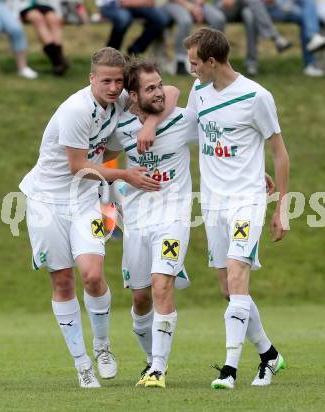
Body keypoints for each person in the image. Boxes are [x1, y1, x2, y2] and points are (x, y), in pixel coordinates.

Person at [18, 47, 178, 388]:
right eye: (105, 80)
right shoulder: (76, 110)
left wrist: (149, 123)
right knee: (62, 281)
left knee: (91, 276)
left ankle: (102, 346)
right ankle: (82, 365)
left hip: (85, 199)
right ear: (91, 78)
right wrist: (124, 175)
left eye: (118, 81)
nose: (112, 87)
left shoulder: (118, 100)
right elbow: (77, 167)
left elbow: (173, 93)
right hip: (47, 200)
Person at [183, 28, 290, 389]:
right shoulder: (198, 91)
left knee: (237, 273)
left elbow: (279, 151)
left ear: (213, 62)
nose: (191, 69)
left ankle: (229, 370)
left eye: (195, 63)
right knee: (228, 289)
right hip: (212, 201)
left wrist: (282, 209)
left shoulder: (256, 96)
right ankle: (269, 355)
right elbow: (207, 138)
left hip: (247, 199)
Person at [103, 59, 197, 388]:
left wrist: (259, 173)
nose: (159, 92)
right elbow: (101, 161)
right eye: (150, 88)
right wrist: (108, 197)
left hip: (173, 215)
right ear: (132, 95)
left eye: (159, 85)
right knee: (140, 299)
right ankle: (149, 360)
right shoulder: (119, 127)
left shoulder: (181, 119)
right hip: (137, 221)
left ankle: (159, 368)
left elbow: (221, 143)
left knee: (161, 284)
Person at [216, 0, 292, 75]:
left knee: (249, 15)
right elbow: (227, 2)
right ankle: (275, 37)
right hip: (223, 7)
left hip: (245, 6)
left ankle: (251, 64)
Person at [264, 0, 325, 76]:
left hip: (286, 4)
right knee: (307, 17)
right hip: (270, 8)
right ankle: (313, 38)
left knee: (308, 4)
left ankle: (313, 37)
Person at [161, 0, 226, 74]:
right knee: (185, 22)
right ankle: (180, 62)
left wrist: (198, 4)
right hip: (175, 3)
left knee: (218, 19)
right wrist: (191, 7)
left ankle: (214, 58)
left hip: (197, 4)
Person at [8, 0, 69, 75]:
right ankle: (57, 61)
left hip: (44, 5)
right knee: (38, 19)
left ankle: (58, 60)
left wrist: (59, 15)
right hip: (25, 6)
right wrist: (15, 15)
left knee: (54, 20)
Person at [97, 0, 169, 56]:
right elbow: (122, 3)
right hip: (112, 5)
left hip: (137, 3)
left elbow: (151, 2)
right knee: (123, 18)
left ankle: (135, 50)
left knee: (161, 19)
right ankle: (110, 54)